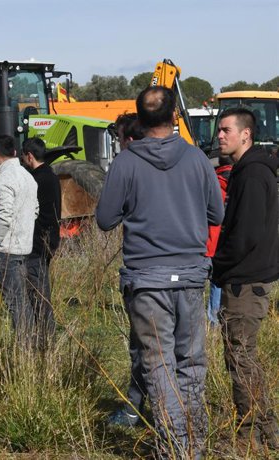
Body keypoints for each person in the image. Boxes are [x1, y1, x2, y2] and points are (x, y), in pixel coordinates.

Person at [96, 86, 223, 458]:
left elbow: (105, 218)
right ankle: (193, 445)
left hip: (147, 280)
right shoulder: (198, 159)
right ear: (174, 117)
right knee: (191, 363)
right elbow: (217, 214)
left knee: (159, 366)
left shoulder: (126, 162)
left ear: (139, 118)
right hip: (189, 277)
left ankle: (173, 448)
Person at [212, 108, 279, 452]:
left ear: (246, 135)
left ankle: (250, 435)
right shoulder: (249, 170)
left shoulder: (252, 174)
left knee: (240, 358)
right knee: (244, 356)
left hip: (244, 282)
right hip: (246, 279)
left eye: (226, 130)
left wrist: (217, 265)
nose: (220, 135)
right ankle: (266, 431)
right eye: (219, 130)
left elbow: (245, 234)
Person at [104, 114, 149, 428]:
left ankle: (136, 410)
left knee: (142, 346)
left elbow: (106, 217)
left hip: (144, 270)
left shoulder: (126, 164)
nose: (119, 145)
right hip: (187, 271)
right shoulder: (190, 159)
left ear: (129, 139)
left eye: (119, 138)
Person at [0, 134, 38, 345]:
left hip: (6, 249)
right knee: (22, 301)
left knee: (14, 303)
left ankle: (25, 348)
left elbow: (4, 214)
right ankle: (30, 344)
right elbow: (35, 209)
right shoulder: (28, 176)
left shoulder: (5, 179)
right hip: (24, 247)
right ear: (16, 153)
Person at [20, 137, 61, 350]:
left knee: (39, 294)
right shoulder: (51, 176)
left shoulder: (34, 179)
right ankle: (45, 336)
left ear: (29, 156)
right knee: (41, 290)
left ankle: (46, 340)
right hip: (49, 239)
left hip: (36, 242)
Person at [205, 155, 232, 326]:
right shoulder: (239, 184)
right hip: (227, 241)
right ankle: (220, 317)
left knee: (213, 281)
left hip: (208, 240)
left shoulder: (211, 184)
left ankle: (213, 319)